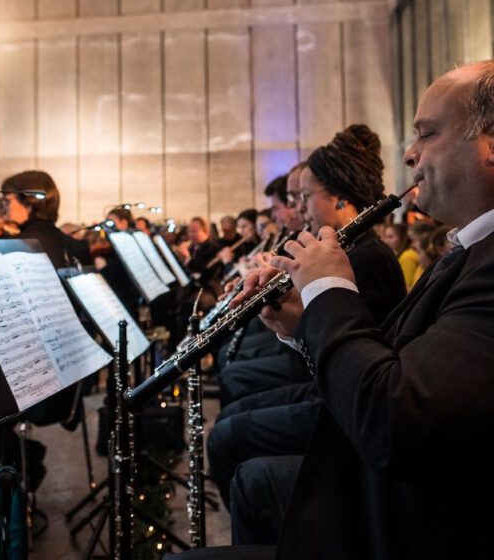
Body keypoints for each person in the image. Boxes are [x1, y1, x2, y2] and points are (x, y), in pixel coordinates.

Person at [180, 61, 494, 560]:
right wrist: (302, 322)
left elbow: (394, 416)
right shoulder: (467, 249)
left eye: (427, 134)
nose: (410, 155)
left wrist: (325, 289)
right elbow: (386, 353)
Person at [208, 125, 405, 511]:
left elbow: (346, 351)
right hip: (327, 387)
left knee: (229, 436)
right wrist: (284, 318)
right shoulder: (347, 249)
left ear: (339, 196)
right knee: (231, 416)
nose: (298, 208)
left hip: (342, 405)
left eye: (305, 196)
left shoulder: (366, 257)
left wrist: (296, 324)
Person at [382, 222, 420, 289]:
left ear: (403, 238)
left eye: (390, 237)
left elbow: (406, 287)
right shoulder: (403, 254)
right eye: (385, 237)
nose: (386, 241)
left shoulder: (407, 256)